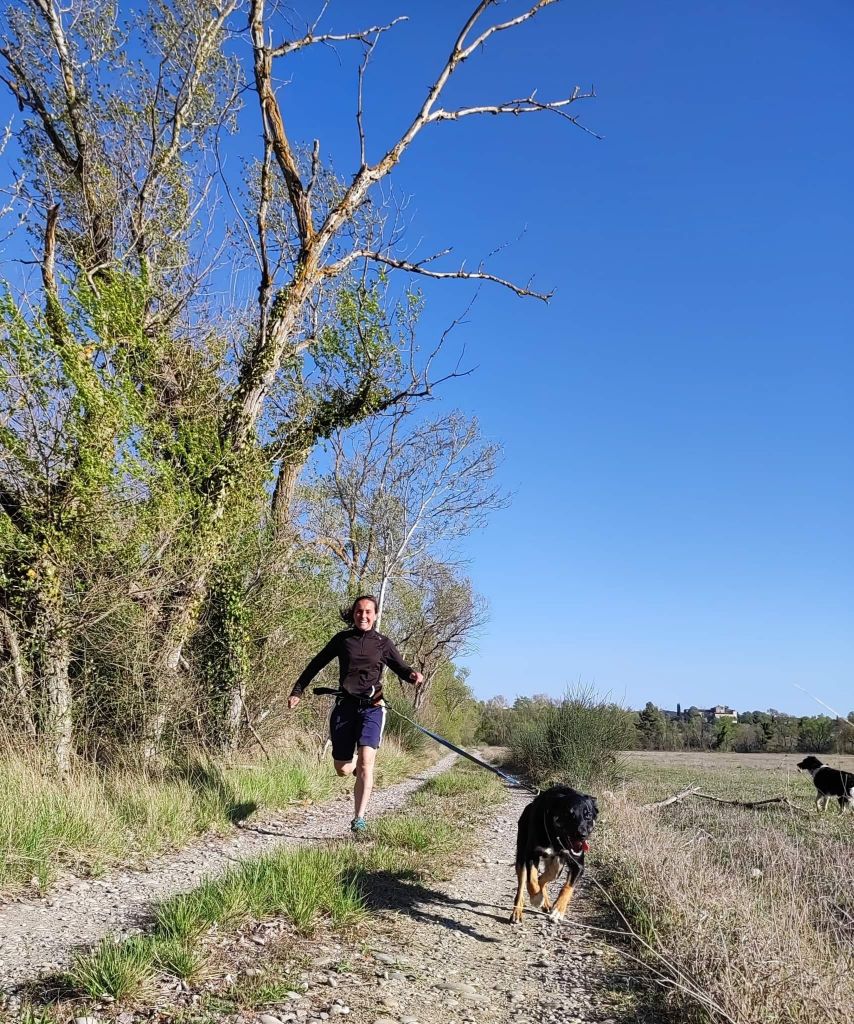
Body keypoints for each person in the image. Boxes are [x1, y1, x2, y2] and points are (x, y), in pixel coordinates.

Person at [288, 594, 423, 834]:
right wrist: (298, 689)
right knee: (342, 769)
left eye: (368, 611)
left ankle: (359, 819)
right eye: (359, 611)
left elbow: (400, 666)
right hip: (345, 707)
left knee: (365, 763)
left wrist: (412, 675)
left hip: (372, 708)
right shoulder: (342, 640)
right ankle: (351, 766)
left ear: (376, 615)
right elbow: (316, 663)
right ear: (353, 614)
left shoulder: (383, 642)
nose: (363, 615)